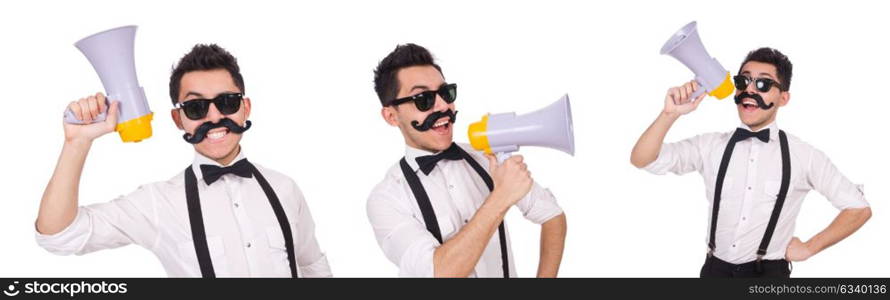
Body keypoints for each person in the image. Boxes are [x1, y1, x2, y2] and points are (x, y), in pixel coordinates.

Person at [36, 44, 331, 277]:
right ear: (178, 119)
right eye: (196, 107)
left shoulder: (285, 188)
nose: (215, 117)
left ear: (245, 107)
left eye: (227, 101)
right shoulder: (158, 202)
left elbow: (312, 267)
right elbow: (59, 236)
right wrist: (77, 143)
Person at [630, 47, 871, 278]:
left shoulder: (804, 155)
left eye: (763, 84)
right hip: (714, 272)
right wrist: (669, 114)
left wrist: (809, 247)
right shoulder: (710, 146)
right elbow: (642, 159)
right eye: (743, 82)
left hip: (768, 276)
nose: (750, 90)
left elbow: (858, 208)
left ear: (783, 98)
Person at [366, 43, 567, 277]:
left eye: (445, 93)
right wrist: (500, 197)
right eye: (423, 99)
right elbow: (439, 273)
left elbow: (553, 216)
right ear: (391, 116)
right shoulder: (386, 199)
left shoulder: (485, 157)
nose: (443, 106)